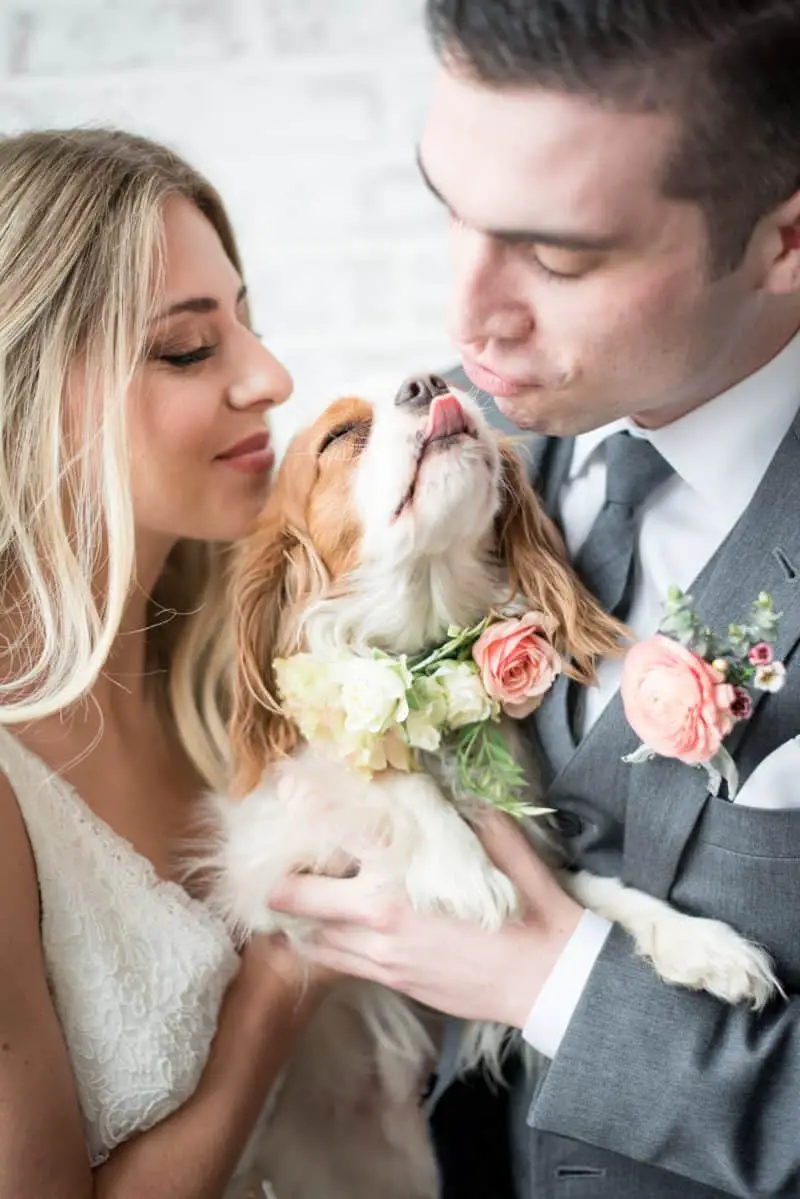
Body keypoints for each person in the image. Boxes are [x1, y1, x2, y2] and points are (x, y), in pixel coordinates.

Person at [267, 2, 800, 1196]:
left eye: (556, 257)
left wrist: (551, 978)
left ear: (784, 239)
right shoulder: (464, 434)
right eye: (449, 210)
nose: (466, 322)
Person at [0, 127, 329, 1199]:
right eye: (189, 349)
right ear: (25, 388)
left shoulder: (239, 664)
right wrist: (282, 974)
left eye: (248, 323)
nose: (271, 378)